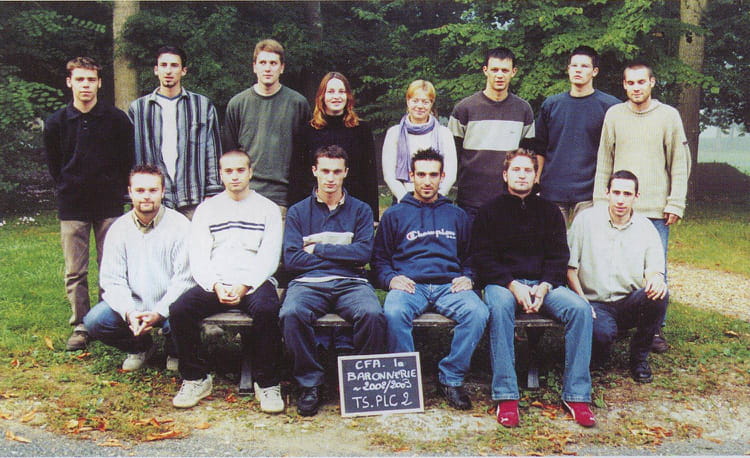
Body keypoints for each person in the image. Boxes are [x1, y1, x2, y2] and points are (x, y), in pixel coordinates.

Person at [472, 149, 595, 428]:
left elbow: (558, 256)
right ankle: (506, 395)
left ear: (535, 176)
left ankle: (577, 395)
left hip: (544, 284)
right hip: (503, 284)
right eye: (516, 170)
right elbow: (483, 257)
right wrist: (512, 284)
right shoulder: (488, 211)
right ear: (505, 175)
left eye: (528, 170)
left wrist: (544, 286)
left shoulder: (550, 212)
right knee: (499, 307)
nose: (522, 175)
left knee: (580, 309)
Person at [372, 148, 488, 410]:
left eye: (433, 175)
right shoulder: (395, 214)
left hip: (449, 285)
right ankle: (404, 379)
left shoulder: (457, 215)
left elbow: (472, 257)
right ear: (411, 176)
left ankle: (451, 378)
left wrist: (469, 277)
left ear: (442, 177)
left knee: (478, 312)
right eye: (421, 174)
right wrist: (390, 279)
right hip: (411, 285)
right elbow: (379, 260)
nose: (427, 181)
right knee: (393, 312)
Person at [169, 150, 284, 413]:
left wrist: (245, 285)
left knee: (267, 310)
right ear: (220, 174)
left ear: (250, 172)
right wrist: (215, 285)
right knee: (180, 310)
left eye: (240, 170)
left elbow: (269, 255)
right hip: (217, 281)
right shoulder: (207, 209)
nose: (235, 176)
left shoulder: (267, 208)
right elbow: (199, 254)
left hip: (254, 281)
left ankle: (267, 383)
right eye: (228, 171)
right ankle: (196, 378)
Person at [280, 145, 386, 417]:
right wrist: (343, 256)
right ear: (314, 171)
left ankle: (360, 382)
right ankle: (310, 383)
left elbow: (363, 254)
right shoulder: (298, 212)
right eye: (325, 171)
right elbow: (292, 260)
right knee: (291, 313)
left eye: (337, 172)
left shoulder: (360, 210)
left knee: (372, 313)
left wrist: (318, 248)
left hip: (351, 283)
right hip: (308, 283)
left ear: (346, 173)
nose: (330, 178)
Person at [593, 60, 691, 352]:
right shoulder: (614, 115)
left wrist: (675, 202)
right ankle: (620, 318)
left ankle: (654, 329)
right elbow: (604, 160)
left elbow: (679, 163)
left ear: (652, 83)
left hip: (655, 209)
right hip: (619, 206)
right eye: (630, 83)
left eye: (641, 82)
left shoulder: (668, 116)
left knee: (656, 268)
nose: (636, 88)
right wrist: (600, 201)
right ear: (624, 85)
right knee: (618, 264)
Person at [43, 57, 134, 351]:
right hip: (73, 204)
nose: (86, 85)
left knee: (111, 266)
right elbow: (55, 164)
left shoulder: (117, 120)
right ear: (69, 82)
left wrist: (117, 189)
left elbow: (126, 159)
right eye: (80, 79)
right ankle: (82, 324)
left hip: (109, 203)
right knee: (75, 270)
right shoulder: (56, 122)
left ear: (99, 83)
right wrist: (67, 187)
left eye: (91, 80)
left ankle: (108, 317)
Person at [83, 165, 193, 372]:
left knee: (182, 318)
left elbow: (185, 279)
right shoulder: (118, 229)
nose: (146, 196)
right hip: (135, 303)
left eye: (153, 190)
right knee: (95, 321)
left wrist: (159, 312)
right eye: (140, 190)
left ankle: (175, 350)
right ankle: (140, 347)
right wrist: (129, 312)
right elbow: (112, 280)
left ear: (163, 191)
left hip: (171, 303)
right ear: (130, 192)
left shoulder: (180, 226)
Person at [568, 170, 668, 384]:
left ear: (636, 197)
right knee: (601, 340)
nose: (621, 200)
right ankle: (600, 349)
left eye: (627, 194)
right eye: (616, 193)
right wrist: (583, 303)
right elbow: (569, 269)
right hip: (594, 303)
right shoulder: (585, 221)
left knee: (659, 295)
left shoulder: (646, 228)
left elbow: (654, 269)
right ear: (607, 193)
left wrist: (656, 280)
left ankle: (639, 358)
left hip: (627, 301)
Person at [128, 46, 222, 219]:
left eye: (174, 65)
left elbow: (213, 152)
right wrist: (135, 194)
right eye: (163, 65)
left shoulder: (202, 106)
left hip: (193, 198)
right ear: (156, 70)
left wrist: (212, 192)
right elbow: (131, 155)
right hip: (153, 199)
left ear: (183, 70)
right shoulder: (139, 109)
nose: (168, 71)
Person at [222, 39, 311, 210]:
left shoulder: (298, 104)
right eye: (262, 62)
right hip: (246, 196)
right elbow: (229, 155)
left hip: (284, 200)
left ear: (282, 68)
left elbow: (306, 157)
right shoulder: (237, 104)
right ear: (254, 66)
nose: (268, 68)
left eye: (273, 63)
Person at [534, 46, 620, 223]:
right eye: (574, 66)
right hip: (553, 189)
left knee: (586, 240)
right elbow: (539, 148)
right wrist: (536, 182)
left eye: (584, 66)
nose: (578, 70)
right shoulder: (551, 105)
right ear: (568, 69)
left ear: (595, 71)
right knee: (552, 239)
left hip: (590, 192)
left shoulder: (610, 107)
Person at [448, 47, 535, 221]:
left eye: (505, 70)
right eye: (494, 69)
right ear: (485, 70)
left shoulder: (523, 110)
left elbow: (529, 157)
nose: (499, 75)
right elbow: (451, 157)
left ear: (513, 72)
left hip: (510, 200)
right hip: (470, 201)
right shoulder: (464, 109)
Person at [293, 72, 378, 220]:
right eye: (331, 91)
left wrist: (373, 216)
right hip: (315, 209)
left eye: (341, 91)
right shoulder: (307, 131)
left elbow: (369, 175)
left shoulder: (361, 130)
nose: (336, 96)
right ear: (322, 96)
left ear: (348, 96)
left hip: (353, 209)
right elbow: (298, 175)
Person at [382, 80, 457, 203]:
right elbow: (389, 175)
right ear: (408, 101)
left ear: (431, 104)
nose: (420, 106)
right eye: (415, 100)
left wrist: (436, 198)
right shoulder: (394, 133)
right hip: (403, 200)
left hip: (436, 200)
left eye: (425, 102)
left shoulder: (444, 133)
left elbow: (450, 174)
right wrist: (407, 201)